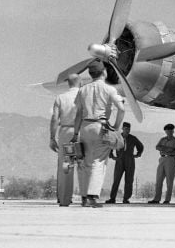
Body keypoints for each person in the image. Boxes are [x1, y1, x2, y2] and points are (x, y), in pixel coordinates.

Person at [71, 60, 125, 208]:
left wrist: (75, 133)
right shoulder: (109, 89)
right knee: (99, 161)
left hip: (84, 126)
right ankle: (92, 197)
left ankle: (83, 196)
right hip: (100, 126)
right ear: (104, 72)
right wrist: (116, 127)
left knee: (84, 161)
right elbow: (121, 109)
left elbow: (78, 113)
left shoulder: (83, 90)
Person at [48, 73, 80, 206]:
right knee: (85, 165)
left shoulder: (60, 98)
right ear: (79, 82)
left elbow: (55, 118)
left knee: (66, 166)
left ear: (68, 83)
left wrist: (52, 137)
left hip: (66, 131)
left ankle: (64, 198)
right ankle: (87, 197)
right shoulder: (84, 96)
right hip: (81, 131)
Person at [106, 122, 144, 203]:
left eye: (128, 129)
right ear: (122, 129)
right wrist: (112, 156)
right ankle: (112, 198)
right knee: (116, 179)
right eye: (125, 129)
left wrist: (138, 154)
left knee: (129, 180)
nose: (127, 130)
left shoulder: (133, 138)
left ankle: (126, 198)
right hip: (119, 160)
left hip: (130, 160)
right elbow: (110, 146)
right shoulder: (117, 137)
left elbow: (141, 146)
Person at [147, 124, 175, 204]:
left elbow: (172, 150)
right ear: (165, 131)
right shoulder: (162, 139)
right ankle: (157, 199)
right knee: (159, 179)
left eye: (170, 130)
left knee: (169, 180)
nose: (169, 132)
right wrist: (166, 149)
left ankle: (167, 199)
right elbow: (157, 147)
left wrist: (163, 148)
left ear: (173, 131)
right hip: (162, 159)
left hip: (170, 159)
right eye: (167, 130)